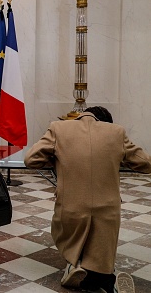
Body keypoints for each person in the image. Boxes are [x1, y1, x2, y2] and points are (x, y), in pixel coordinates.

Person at [24, 106, 151, 293]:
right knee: (102, 244)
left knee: (74, 233)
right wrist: (117, 157)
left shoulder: (58, 128)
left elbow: (31, 159)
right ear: (106, 122)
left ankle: (77, 267)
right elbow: (146, 163)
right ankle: (104, 279)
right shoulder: (116, 132)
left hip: (70, 208)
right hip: (107, 210)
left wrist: (59, 159)